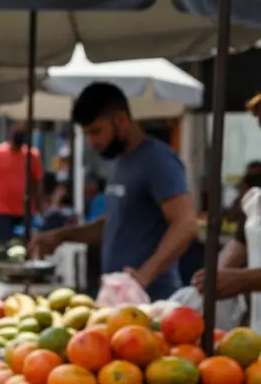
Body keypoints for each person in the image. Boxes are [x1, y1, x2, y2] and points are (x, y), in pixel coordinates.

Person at [29, 82, 197, 301]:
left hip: (151, 300)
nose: (92, 142)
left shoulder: (158, 160)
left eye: (96, 131)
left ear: (120, 120)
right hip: (118, 297)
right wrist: (60, 236)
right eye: (87, 134)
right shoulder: (120, 162)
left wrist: (143, 276)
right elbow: (113, 225)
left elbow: (186, 223)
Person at [0, 122, 44, 241]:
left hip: (26, 210)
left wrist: (39, 210)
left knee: (26, 243)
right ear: (10, 133)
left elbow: (36, 184)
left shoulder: (32, 155)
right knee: (6, 243)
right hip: (3, 210)